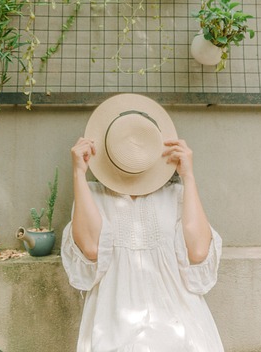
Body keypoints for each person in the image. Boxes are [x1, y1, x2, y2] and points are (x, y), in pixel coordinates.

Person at [61, 93, 224, 352]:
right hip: (114, 320)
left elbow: (198, 252)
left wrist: (188, 176)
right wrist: (78, 173)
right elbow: (91, 249)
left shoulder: (175, 196)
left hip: (177, 316)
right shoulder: (94, 195)